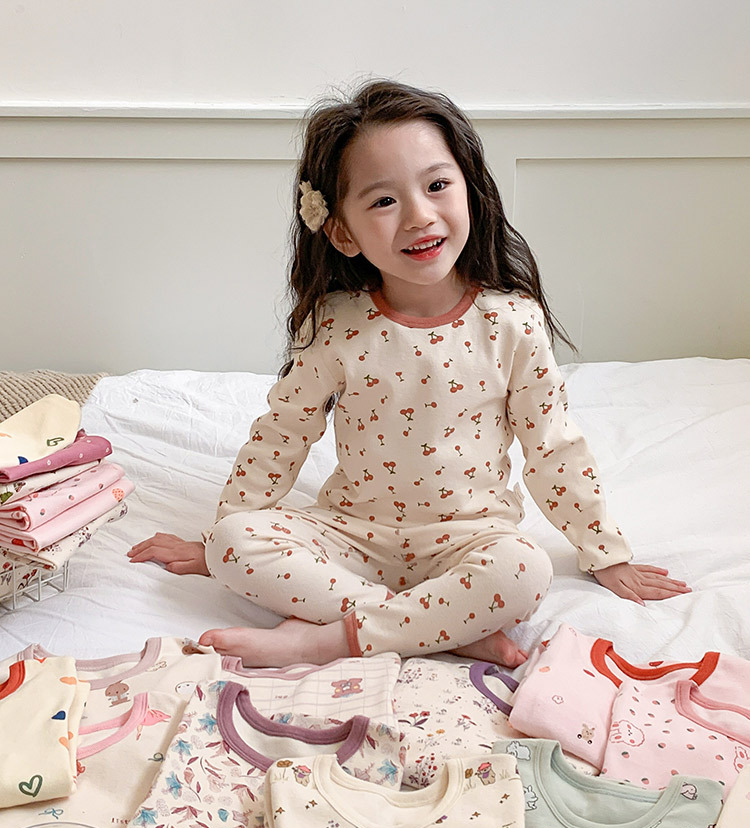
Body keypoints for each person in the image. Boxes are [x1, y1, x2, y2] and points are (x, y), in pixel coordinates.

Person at [128, 79, 689, 668]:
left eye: (437, 185)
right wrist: (217, 535)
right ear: (342, 232)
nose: (420, 216)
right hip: (351, 533)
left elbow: (553, 448)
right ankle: (441, 627)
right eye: (383, 201)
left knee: (525, 570)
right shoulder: (336, 324)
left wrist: (604, 552)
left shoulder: (512, 322)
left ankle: (328, 639)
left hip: (471, 539)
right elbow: (281, 435)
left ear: (470, 192)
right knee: (234, 545)